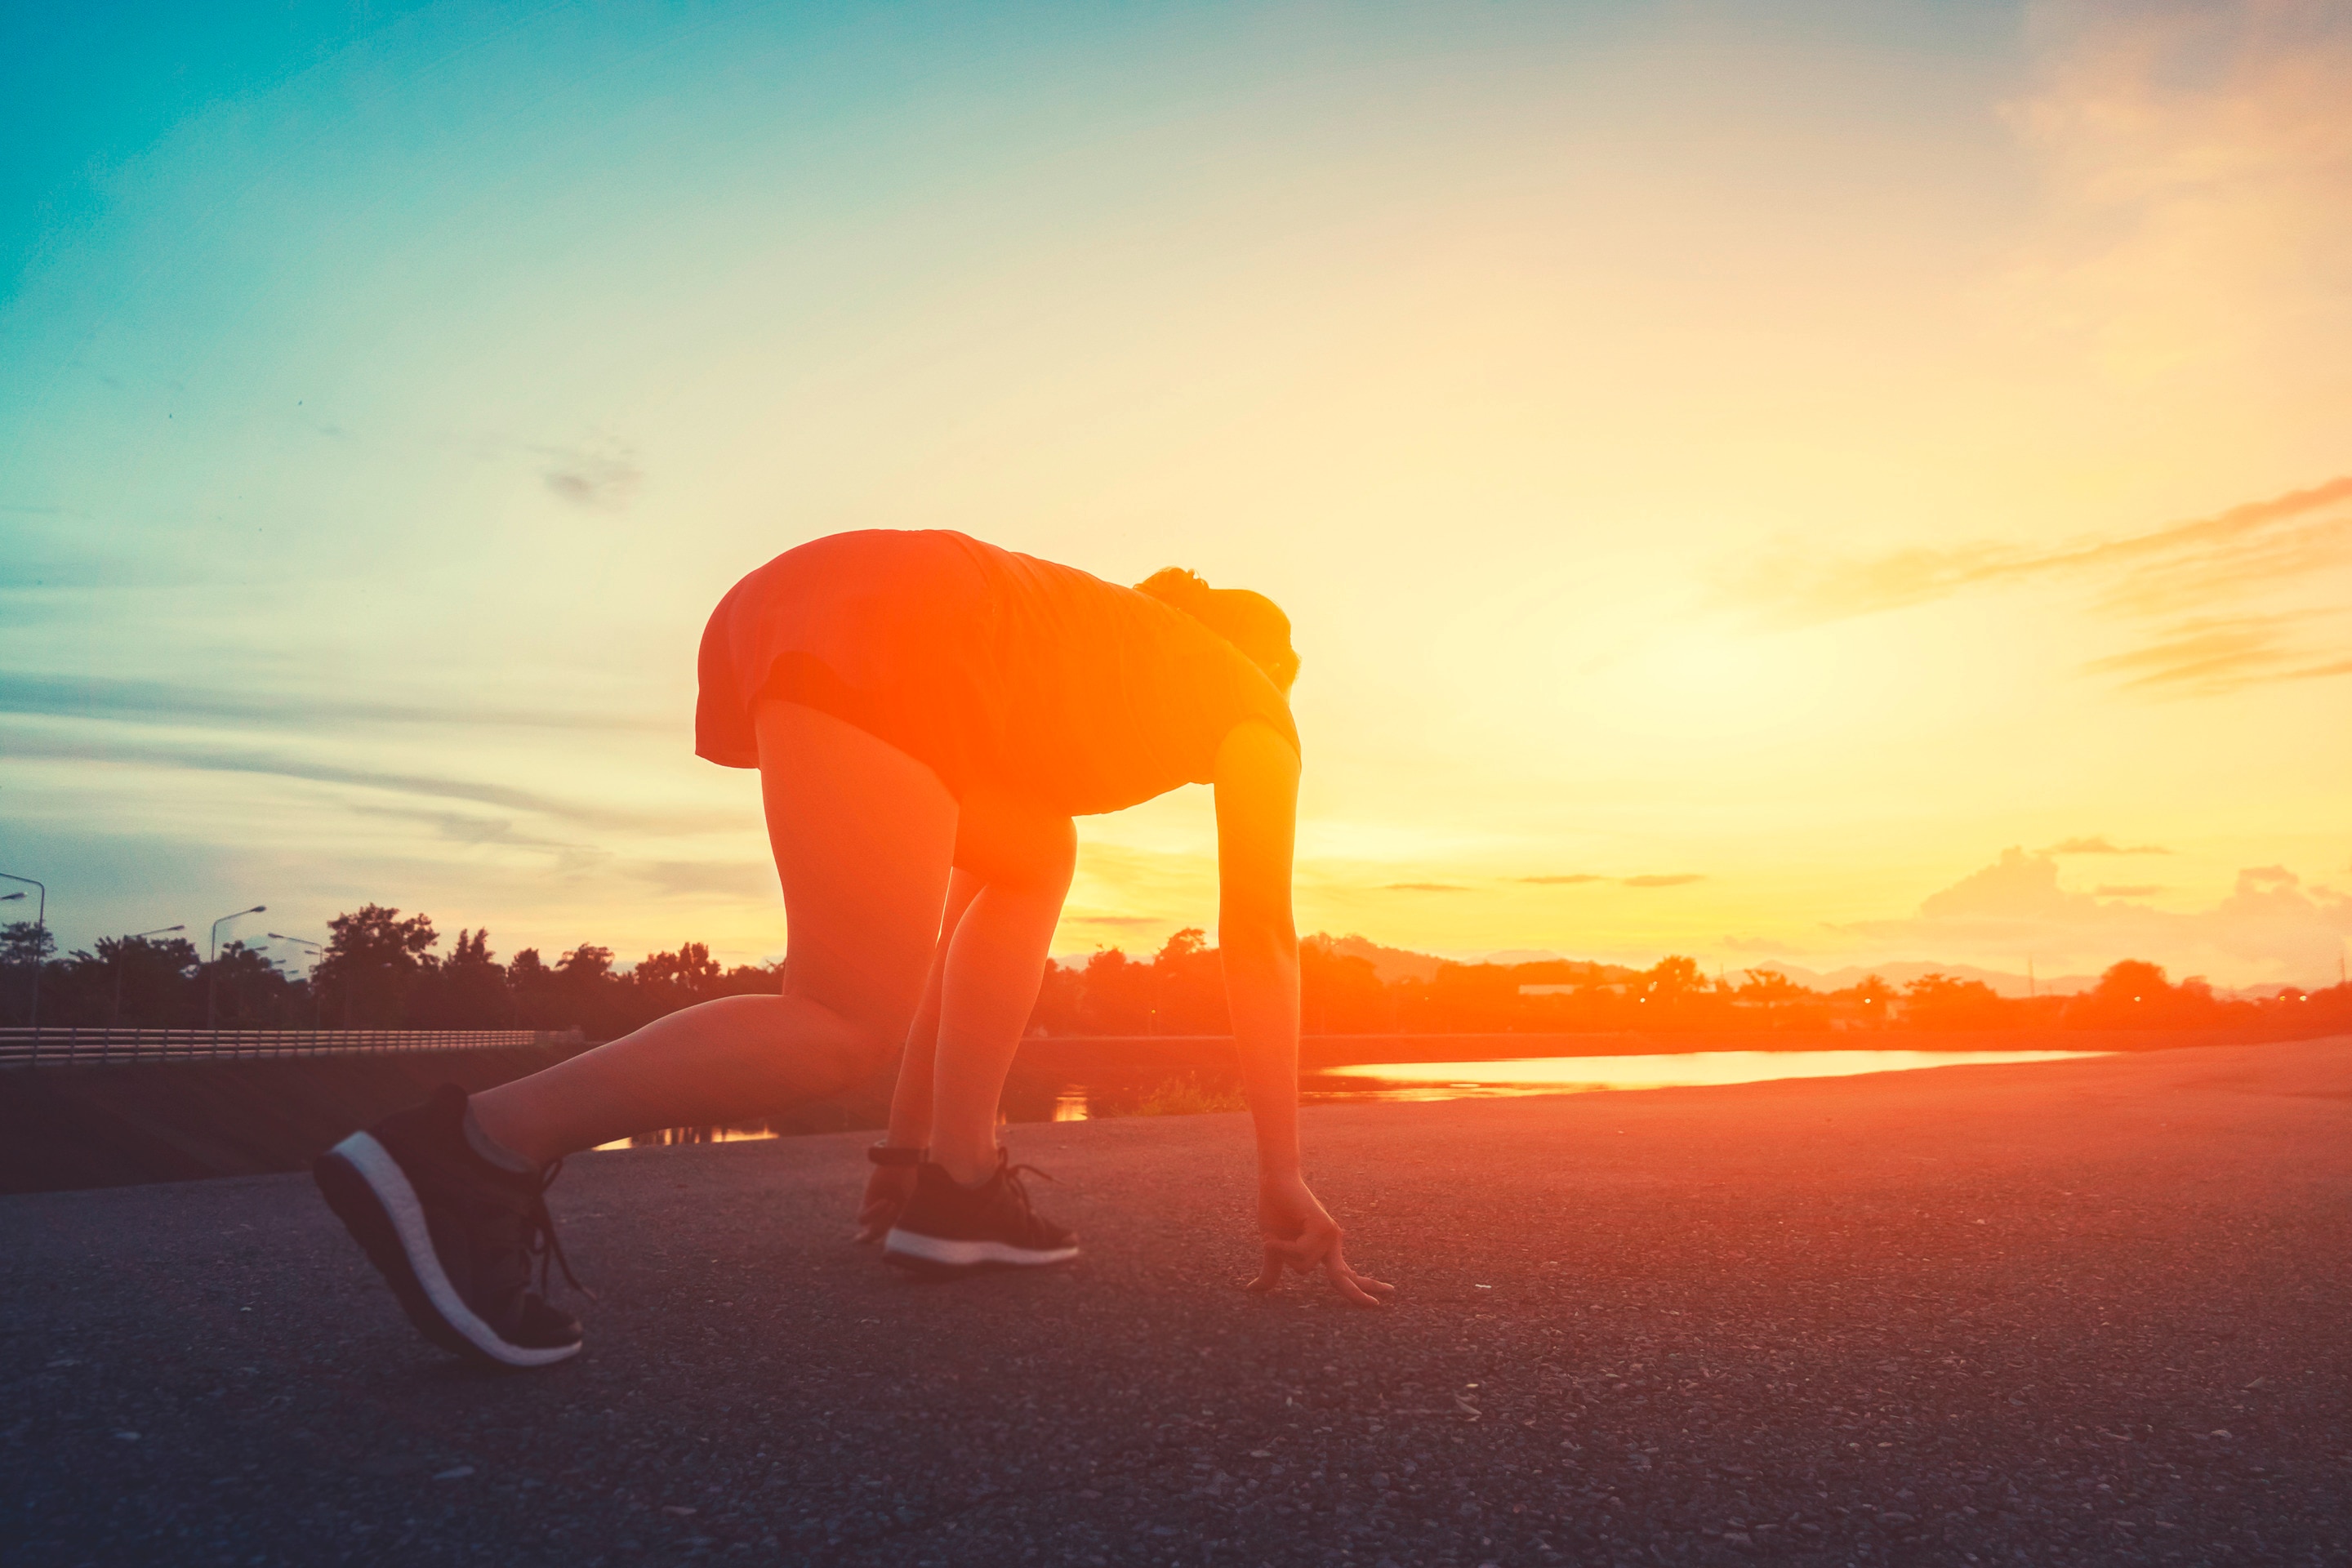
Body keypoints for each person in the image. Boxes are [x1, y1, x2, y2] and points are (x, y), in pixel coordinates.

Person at [313, 529, 1391, 1368]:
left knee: (1030, 856)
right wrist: (1282, 1172)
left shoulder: (1088, 658)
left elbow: (962, 918)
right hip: (892, 630)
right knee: (838, 1023)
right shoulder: (1249, 693)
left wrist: (910, 1155)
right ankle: (469, 1150)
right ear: (1272, 663)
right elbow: (1261, 933)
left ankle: (959, 1184)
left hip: (808, 597)